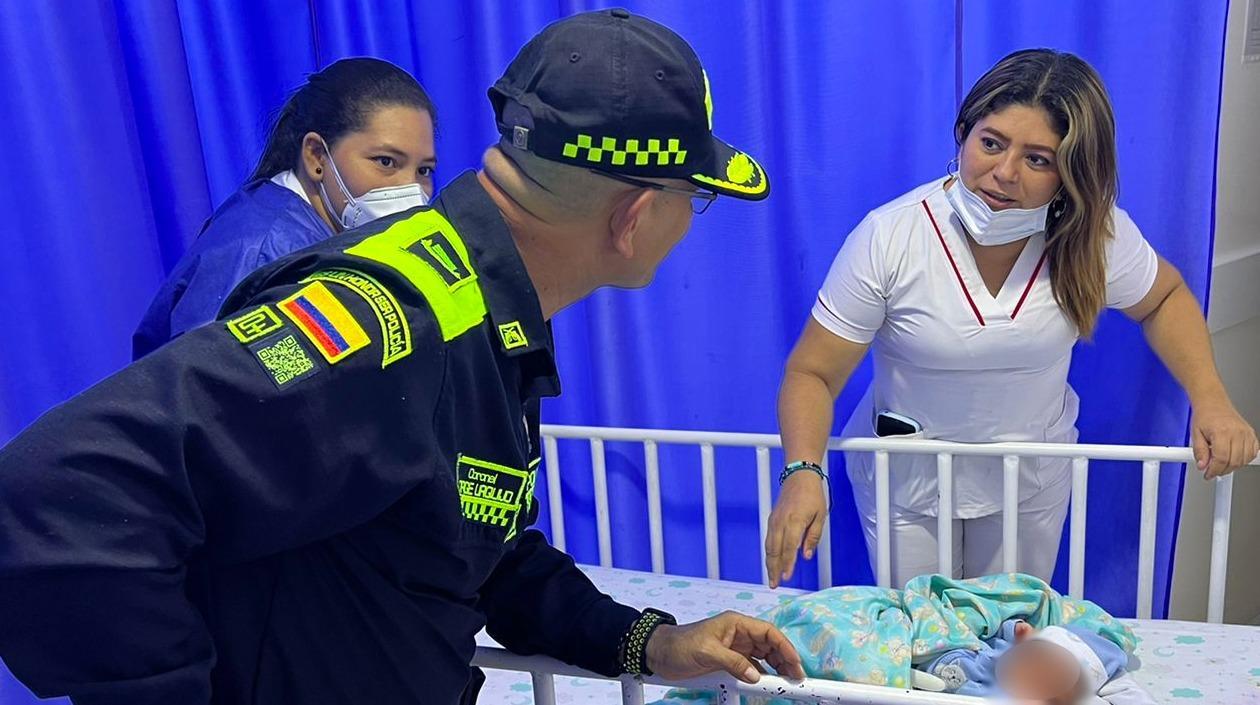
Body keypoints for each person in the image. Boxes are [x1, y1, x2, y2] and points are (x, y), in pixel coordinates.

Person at [0, 10, 802, 705]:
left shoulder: (484, 311)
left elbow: (481, 550)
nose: (692, 222)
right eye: (693, 198)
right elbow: (57, 494)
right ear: (632, 215)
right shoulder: (395, 319)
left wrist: (652, 643)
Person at [765, 49, 1258, 588]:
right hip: (906, 478)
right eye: (991, 143)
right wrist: (803, 471)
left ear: (1072, 175)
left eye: (1038, 159)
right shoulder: (891, 237)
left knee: (1013, 638)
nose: (1003, 173)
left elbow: (1163, 299)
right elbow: (811, 372)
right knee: (926, 641)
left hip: (1031, 474)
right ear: (963, 134)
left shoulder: (1093, 236)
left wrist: (1212, 400)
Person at [132, 57, 438, 358]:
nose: (409, 189)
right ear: (317, 156)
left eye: (424, 171)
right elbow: (207, 395)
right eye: (385, 162)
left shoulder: (333, 237)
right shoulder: (258, 255)